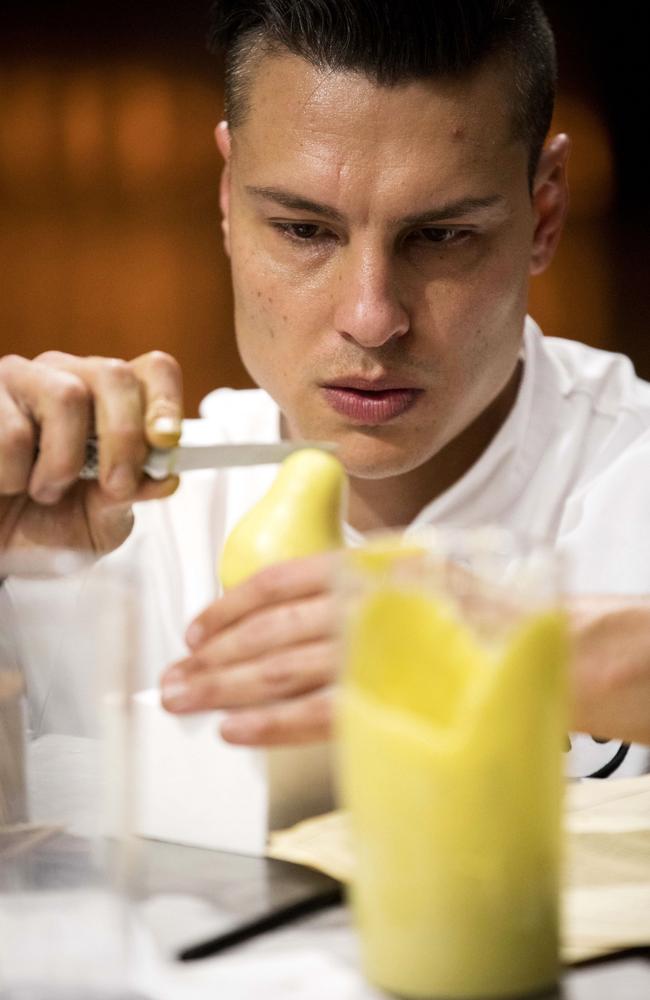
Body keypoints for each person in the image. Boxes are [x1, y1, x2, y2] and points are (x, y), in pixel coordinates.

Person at [0, 0, 649, 778]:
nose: (372, 318)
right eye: (304, 231)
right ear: (228, 198)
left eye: (441, 236)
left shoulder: (631, 476)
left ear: (545, 212)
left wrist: (533, 656)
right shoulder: (97, 523)